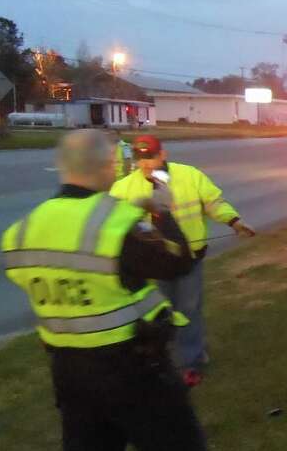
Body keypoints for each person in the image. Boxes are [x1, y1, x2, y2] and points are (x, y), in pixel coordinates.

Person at [0, 129, 254, 451]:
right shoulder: (113, 220)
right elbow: (176, 263)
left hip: (71, 375)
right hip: (135, 369)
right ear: (106, 168)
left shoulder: (24, 230)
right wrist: (160, 213)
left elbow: (30, 276)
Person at [109, 135, 255, 384]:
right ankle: (167, 359)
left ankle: (190, 362)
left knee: (188, 310)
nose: (146, 163)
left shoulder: (189, 176)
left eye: (151, 156)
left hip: (190, 259)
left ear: (162, 154)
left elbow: (213, 202)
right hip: (156, 264)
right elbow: (113, 224)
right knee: (163, 312)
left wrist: (234, 221)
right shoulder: (123, 188)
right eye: (141, 158)